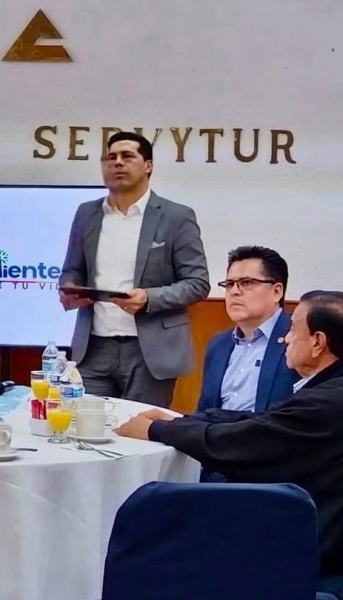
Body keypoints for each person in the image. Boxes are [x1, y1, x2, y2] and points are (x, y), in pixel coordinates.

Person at [115, 291, 343, 588]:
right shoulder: (327, 390)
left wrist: (156, 430)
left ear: (317, 342)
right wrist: (183, 420)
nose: (285, 338)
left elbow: (246, 444)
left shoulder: (325, 403)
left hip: (310, 553)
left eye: (292, 329)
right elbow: (265, 422)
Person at [58, 131, 210, 407]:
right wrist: (69, 290)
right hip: (93, 348)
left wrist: (149, 298)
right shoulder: (86, 213)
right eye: (110, 157)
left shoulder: (176, 216)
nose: (117, 162)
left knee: (140, 429)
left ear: (148, 165)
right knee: (84, 425)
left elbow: (197, 283)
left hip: (150, 351)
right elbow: (72, 270)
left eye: (127, 156)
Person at [196, 245, 299, 414]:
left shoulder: (297, 339)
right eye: (229, 284)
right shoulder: (218, 344)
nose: (234, 291)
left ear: (276, 292)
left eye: (247, 283)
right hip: (213, 430)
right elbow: (203, 410)